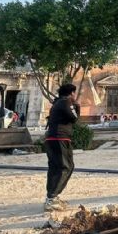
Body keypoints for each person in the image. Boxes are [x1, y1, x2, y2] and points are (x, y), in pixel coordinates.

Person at [44, 83, 80, 212]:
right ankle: (52, 198)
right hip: (60, 138)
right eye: (74, 93)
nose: (75, 96)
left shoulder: (57, 102)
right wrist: (77, 106)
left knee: (55, 168)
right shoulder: (66, 102)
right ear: (71, 93)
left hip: (52, 138)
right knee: (66, 167)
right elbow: (74, 118)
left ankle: (51, 196)